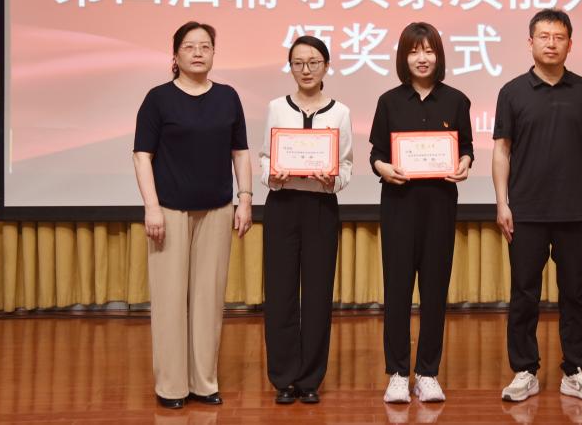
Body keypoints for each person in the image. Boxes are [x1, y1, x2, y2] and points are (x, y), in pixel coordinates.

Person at [132, 21, 252, 409]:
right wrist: (151, 206)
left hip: (217, 210)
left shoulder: (228, 97)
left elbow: (240, 152)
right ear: (175, 55)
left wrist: (245, 198)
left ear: (214, 53)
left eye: (205, 46)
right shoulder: (158, 99)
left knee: (208, 300)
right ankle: (171, 386)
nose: (198, 52)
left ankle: (204, 381)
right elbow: (142, 156)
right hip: (168, 212)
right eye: (189, 46)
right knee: (169, 300)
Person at [493, 9, 582, 403]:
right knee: (524, 293)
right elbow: (502, 150)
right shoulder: (512, 92)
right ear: (531, 42)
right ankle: (524, 370)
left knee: (575, 292)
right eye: (544, 37)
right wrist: (502, 202)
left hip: (575, 209)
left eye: (559, 37)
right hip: (526, 210)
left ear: (570, 44)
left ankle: (575, 370)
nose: (551, 44)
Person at [369, 22, 474, 404]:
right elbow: (377, 154)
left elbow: (466, 148)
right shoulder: (389, 101)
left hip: (440, 207)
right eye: (414, 51)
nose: (422, 58)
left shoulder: (457, 100)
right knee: (397, 291)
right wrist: (384, 169)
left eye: (428, 50)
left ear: (438, 55)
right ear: (404, 57)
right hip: (399, 206)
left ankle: (427, 373)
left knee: (434, 291)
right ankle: (398, 373)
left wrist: (463, 163)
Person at [260, 36, 353, 405]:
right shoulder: (276, 107)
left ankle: (311, 378)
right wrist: (272, 175)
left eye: (314, 62)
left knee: (317, 295)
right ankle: (283, 378)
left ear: (326, 66)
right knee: (280, 294)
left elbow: (346, 164)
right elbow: (266, 157)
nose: (306, 69)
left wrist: (334, 180)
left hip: (321, 208)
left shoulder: (340, 112)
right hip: (282, 206)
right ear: (290, 67)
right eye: (298, 63)